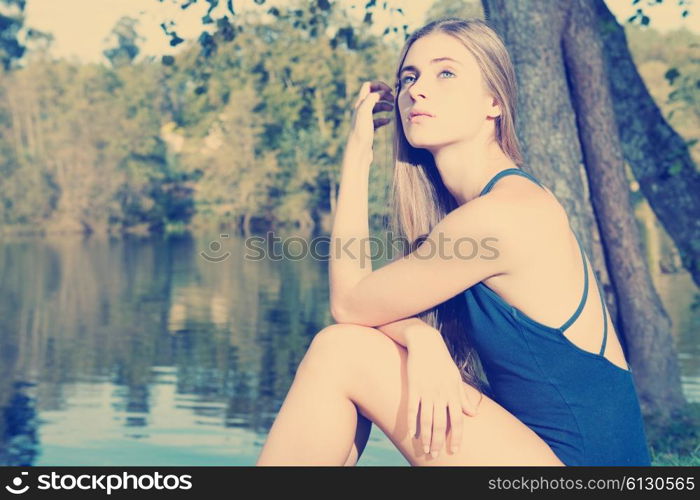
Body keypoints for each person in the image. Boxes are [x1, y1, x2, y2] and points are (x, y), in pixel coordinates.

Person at [255, 17, 652, 466]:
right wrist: (419, 336)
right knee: (349, 347)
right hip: (542, 455)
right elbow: (364, 309)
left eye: (445, 73)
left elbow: (349, 304)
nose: (417, 90)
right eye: (410, 76)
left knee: (340, 351)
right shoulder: (479, 208)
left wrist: (358, 154)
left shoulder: (502, 214)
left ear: (494, 103)